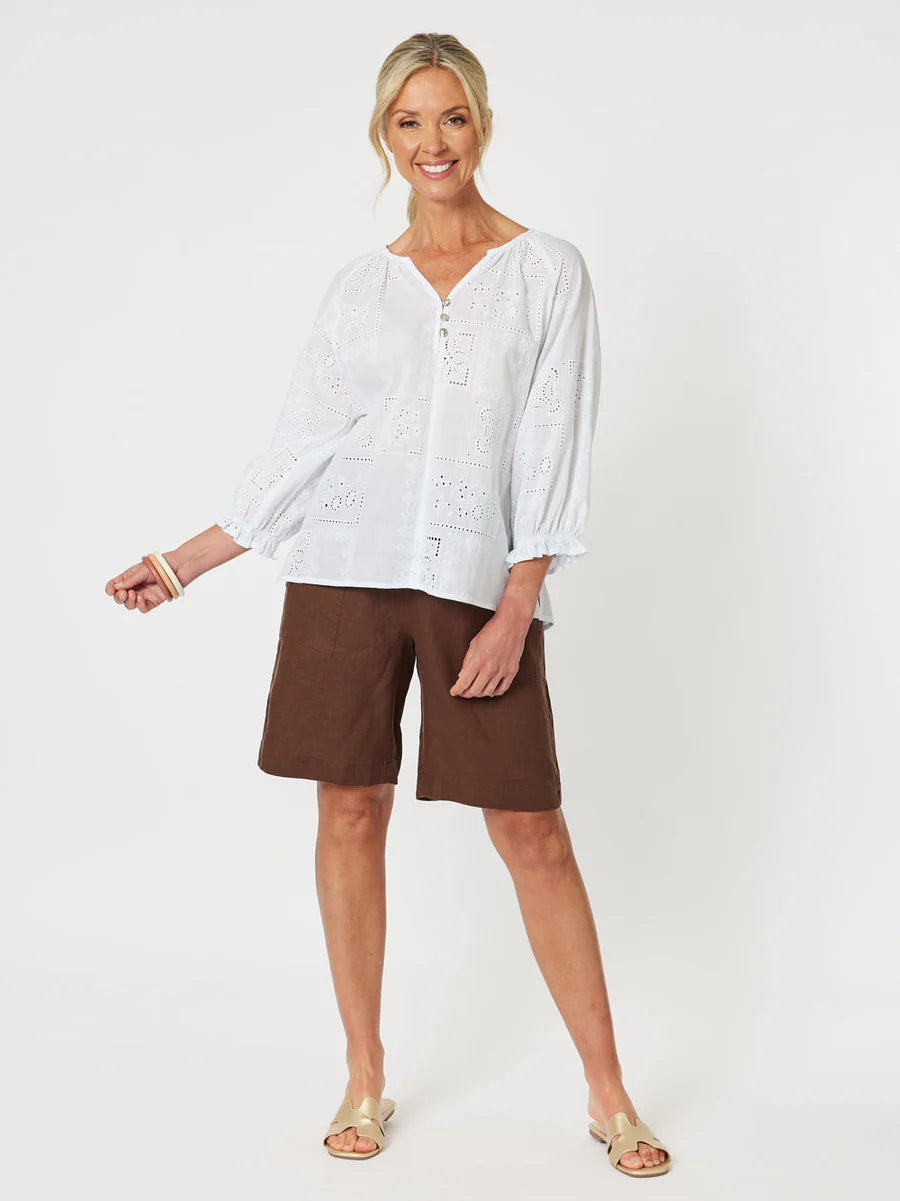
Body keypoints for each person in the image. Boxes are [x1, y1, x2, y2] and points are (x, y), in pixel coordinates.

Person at [105, 32, 671, 1178]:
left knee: (531, 828)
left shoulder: (545, 270)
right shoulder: (360, 288)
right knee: (350, 812)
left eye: (451, 116)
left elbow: (552, 442)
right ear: (384, 135)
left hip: (477, 584)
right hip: (343, 573)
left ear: (483, 125)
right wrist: (187, 559)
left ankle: (609, 1093)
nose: (432, 141)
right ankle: (364, 1073)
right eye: (409, 121)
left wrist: (519, 603)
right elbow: (309, 445)